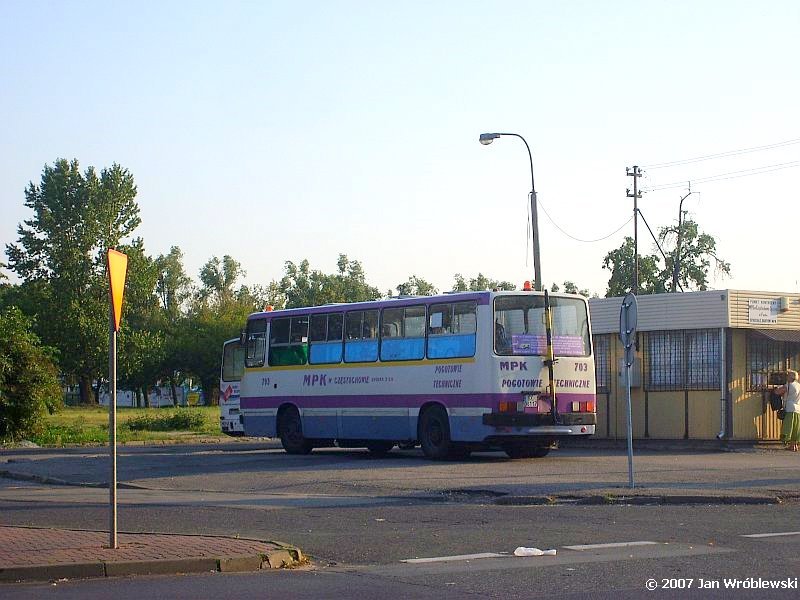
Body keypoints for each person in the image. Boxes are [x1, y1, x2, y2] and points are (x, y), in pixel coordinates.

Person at [775, 369, 800, 451]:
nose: (786, 377)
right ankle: (794, 446)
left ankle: (791, 445)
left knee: (789, 428)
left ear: (791, 377)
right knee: (796, 428)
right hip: (798, 409)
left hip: (790, 408)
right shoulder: (798, 385)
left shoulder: (789, 385)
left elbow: (777, 392)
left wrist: (776, 388)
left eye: (788, 375)